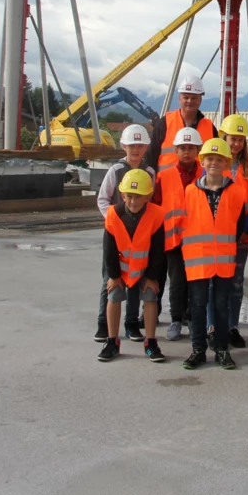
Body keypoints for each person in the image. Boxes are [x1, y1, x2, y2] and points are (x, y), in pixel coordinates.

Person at [181, 138, 248, 370]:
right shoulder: (189, 192)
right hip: (198, 259)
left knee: (221, 304)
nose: (213, 163)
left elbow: (239, 224)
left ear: (226, 163)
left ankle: (221, 349)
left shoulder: (236, 192)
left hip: (223, 259)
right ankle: (198, 349)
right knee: (198, 305)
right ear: (202, 161)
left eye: (218, 159)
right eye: (209, 158)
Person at [94, 124, 156, 345]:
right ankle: (104, 323)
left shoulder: (150, 173)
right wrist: (114, 222)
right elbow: (103, 199)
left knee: (135, 280)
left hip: (139, 238)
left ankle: (131, 323)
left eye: (139, 145)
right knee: (110, 279)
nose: (135, 150)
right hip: (117, 236)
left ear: (146, 147)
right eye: (131, 145)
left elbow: (150, 202)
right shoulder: (115, 170)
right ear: (123, 146)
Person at [99, 169, 168, 364]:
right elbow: (108, 249)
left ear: (148, 196)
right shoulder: (113, 214)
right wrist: (114, 276)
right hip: (120, 270)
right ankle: (112, 342)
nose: (133, 201)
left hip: (145, 270)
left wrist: (151, 277)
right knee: (113, 297)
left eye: (138, 197)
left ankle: (151, 341)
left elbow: (157, 251)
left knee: (150, 297)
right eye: (129, 196)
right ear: (122, 195)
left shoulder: (157, 214)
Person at [217, 114, 248, 349]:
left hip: (241, 236)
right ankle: (214, 327)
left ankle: (233, 327)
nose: (235, 144)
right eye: (232, 138)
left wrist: (246, 228)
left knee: (236, 284)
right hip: (218, 235)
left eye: (240, 140)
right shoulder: (214, 163)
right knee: (216, 284)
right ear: (223, 137)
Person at [154, 126, 204, 341]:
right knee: (176, 282)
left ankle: (192, 318)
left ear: (198, 150)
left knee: (195, 282)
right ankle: (176, 320)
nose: (186, 152)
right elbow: (156, 207)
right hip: (173, 239)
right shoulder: (164, 177)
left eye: (191, 148)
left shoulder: (206, 174)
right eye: (183, 148)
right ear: (175, 149)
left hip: (198, 239)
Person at [148, 75, 216, 172]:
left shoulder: (209, 128)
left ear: (200, 100)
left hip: (199, 185)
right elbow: (151, 156)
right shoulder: (165, 123)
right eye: (186, 97)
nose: (189, 101)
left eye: (194, 98)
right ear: (179, 98)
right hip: (168, 184)